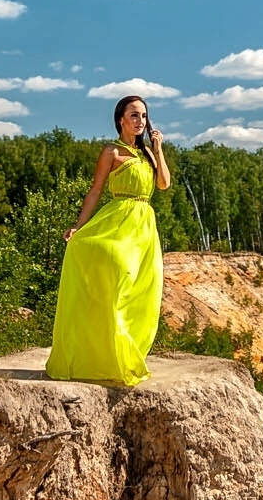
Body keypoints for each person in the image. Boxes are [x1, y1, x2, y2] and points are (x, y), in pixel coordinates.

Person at [43, 94, 172, 385]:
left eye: (144, 116)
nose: (140, 121)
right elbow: (95, 191)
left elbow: (163, 184)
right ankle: (103, 355)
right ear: (121, 120)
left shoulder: (148, 153)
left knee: (143, 293)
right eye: (134, 115)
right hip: (118, 221)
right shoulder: (111, 152)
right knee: (117, 284)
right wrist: (79, 227)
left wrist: (158, 148)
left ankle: (126, 354)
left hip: (144, 227)